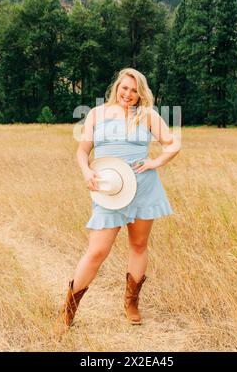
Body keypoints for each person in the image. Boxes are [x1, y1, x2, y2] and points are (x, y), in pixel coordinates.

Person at [55, 68, 180, 333]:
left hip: (144, 187)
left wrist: (154, 161)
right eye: (125, 88)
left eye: (134, 90)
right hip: (109, 189)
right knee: (97, 251)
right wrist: (87, 171)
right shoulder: (96, 114)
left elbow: (173, 144)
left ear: (140, 93)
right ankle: (67, 311)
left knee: (138, 245)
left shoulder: (147, 115)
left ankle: (131, 303)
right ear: (116, 87)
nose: (128, 94)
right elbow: (82, 151)